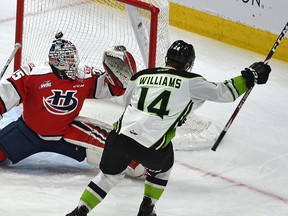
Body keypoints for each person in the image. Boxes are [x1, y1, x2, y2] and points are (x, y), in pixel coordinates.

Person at [66, 39, 271, 216]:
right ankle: (147, 207)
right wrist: (251, 75)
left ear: (166, 59)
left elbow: (127, 102)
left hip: (118, 137)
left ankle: (80, 210)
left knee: (108, 177)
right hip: (150, 145)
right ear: (188, 64)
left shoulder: (140, 77)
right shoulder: (192, 82)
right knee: (163, 168)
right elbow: (224, 92)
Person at [0, 32, 137, 169]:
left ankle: (140, 161)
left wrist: (119, 70)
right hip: (28, 133)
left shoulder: (84, 75)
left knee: (110, 147)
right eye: (67, 58)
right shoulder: (33, 73)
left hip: (67, 132)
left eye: (72, 57)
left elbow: (115, 88)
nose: (72, 62)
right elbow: (7, 93)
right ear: (55, 59)